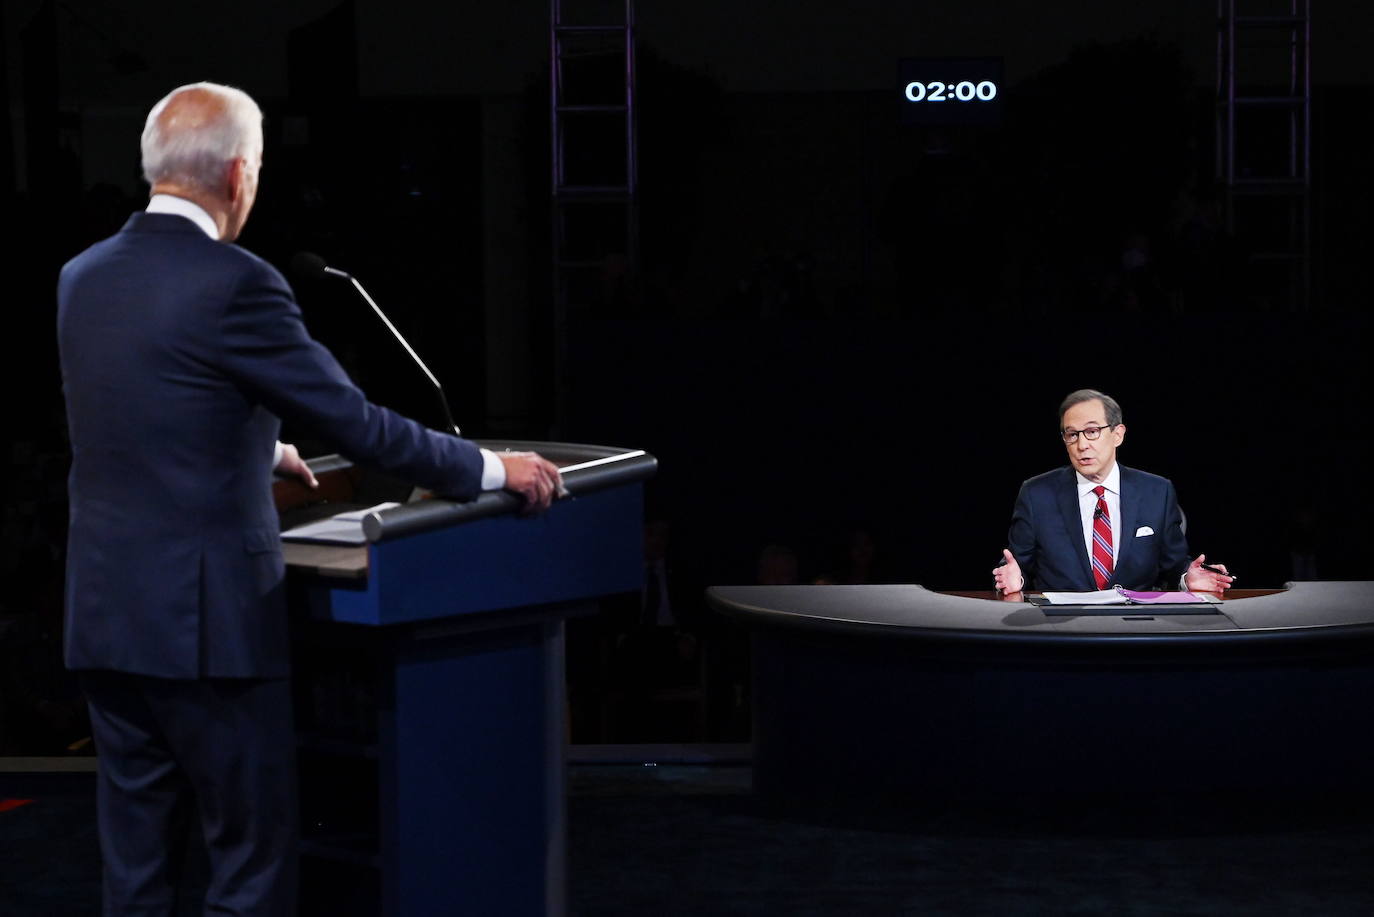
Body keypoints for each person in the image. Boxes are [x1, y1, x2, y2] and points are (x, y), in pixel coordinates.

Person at [56, 82, 562, 916]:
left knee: (137, 875)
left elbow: (143, 414)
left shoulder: (83, 277)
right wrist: (489, 469)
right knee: (248, 869)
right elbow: (357, 424)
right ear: (239, 172)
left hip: (109, 620)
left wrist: (256, 446)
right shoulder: (235, 283)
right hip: (209, 634)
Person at [992, 389, 1233, 595]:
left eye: (1092, 431)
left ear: (1117, 434)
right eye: (1071, 434)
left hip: (1136, 625)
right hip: (1061, 626)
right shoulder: (1037, 494)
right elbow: (1016, 564)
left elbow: (1175, 564)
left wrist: (1187, 579)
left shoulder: (1157, 491)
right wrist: (1015, 578)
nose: (1081, 445)